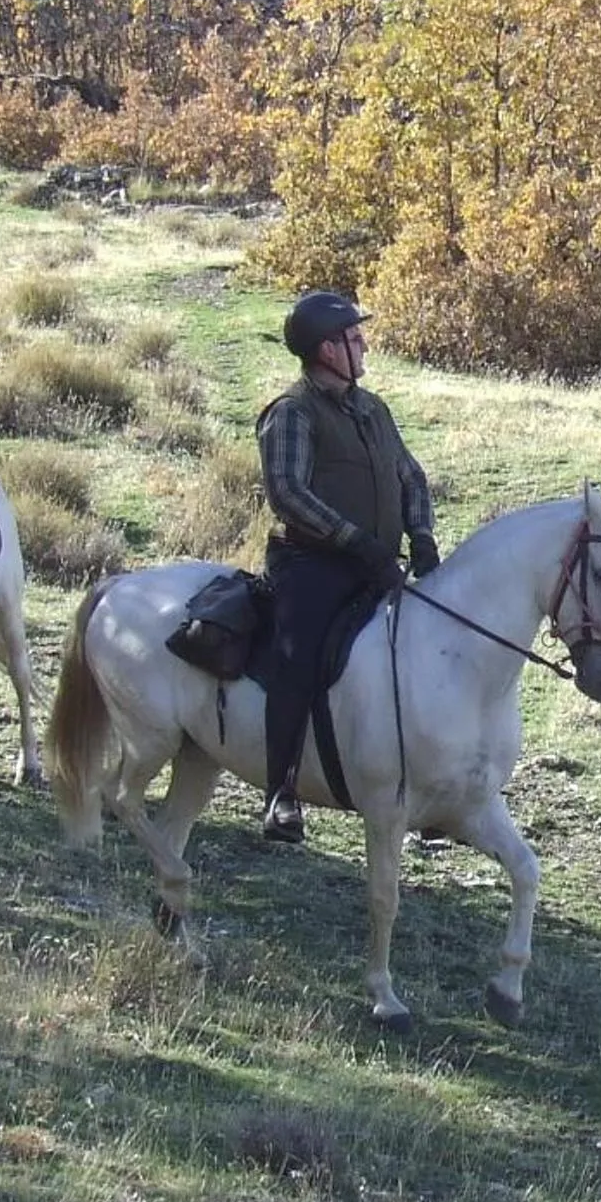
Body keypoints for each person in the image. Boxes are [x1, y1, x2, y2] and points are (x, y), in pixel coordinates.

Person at [252, 290, 440, 842]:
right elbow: (287, 493)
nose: (363, 345)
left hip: (378, 565)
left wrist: (422, 535)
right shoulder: (291, 413)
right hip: (312, 567)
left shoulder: (372, 408)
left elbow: (411, 476)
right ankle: (281, 792)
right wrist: (356, 541)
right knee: (297, 657)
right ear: (326, 350)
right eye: (353, 338)